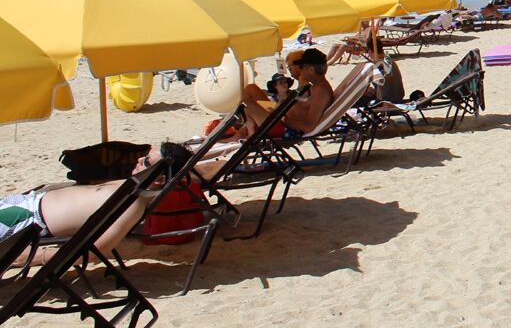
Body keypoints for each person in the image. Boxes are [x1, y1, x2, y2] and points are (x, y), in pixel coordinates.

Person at [0, 143, 193, 263]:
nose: (139, 159)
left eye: (147, 161)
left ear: (160, 179)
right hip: (25, 204)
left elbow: (95, 252)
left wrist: (34, 256)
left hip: (26, 220)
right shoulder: (130, 188)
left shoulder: (132, 206)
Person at [240, 47, 335, 138]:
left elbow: (308, 126)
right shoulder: (317, 87)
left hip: (284, 128)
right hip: (281, 122)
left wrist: (281, 118)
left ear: (311, 70)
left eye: (302, 67)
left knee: (246, 103)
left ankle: (248, 133)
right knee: (250, 92)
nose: (300, 70)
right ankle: (244, 131)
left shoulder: (320, 92)